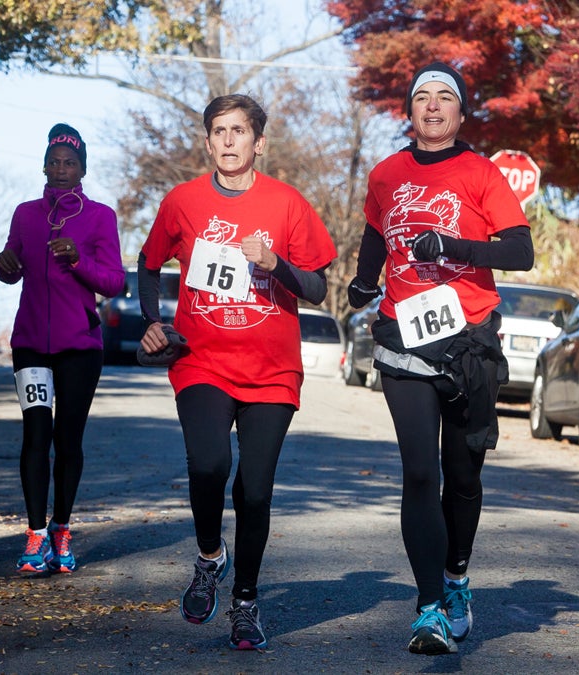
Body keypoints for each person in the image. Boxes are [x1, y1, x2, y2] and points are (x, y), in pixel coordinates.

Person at [346, 62, 533, 654]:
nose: (432, 105)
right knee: (420, 473)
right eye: (421, 96)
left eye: (444, 97)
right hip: (403, 334)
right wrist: (362, 279)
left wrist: (451, 245)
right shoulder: (385, 174)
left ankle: (456, 576)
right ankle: (428, 608)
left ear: (459, 112)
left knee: (463, 473)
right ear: (409, 110)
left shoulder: (481, 173)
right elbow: (377, 232)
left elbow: (521, 251)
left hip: (469, 338)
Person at [138, 94, 337, 651]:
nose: (228, 140)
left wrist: (279, 266)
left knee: (255, 489)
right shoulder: (183, 201)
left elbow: (319, 288)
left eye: (239, 131)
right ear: (208, 142)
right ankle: (209, 557)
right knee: (209, 464)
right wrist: (153, 321)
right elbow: (149, 264)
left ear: (259, 142)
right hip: (201, 359)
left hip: (273, 371)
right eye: (219, 131)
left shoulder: (287, 205)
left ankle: (245, 602)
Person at [0, 123, 124, 576]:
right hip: (30, 343)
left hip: (79, 347)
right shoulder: (25, 213)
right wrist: (2, 265)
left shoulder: (100, 216)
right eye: (54, 162)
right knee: (35, 436)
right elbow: (11, 264)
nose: (61, 169)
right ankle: (34, 534)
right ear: (44, 166)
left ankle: (61, 528)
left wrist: (78, 260)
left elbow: (114, 281)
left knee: (68, 439)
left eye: (70, 163)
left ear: (82, 169)